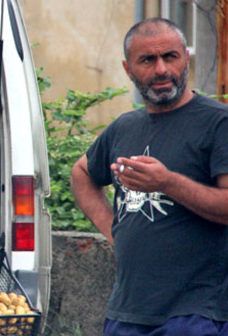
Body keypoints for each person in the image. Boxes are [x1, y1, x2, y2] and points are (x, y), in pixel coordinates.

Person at [70, 18, 228, 335]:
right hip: (126, 312)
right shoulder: (124, 127)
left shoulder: (218, 122)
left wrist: (166, 182)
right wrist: (113, 229)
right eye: (147, 60)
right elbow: (81, 172)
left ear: (185, 57)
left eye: (170, 56)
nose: (160, 70)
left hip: (196, 315)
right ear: (128, 69)